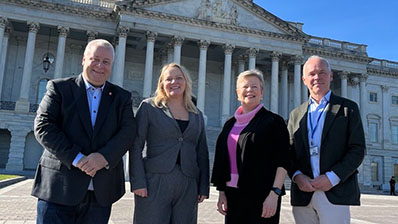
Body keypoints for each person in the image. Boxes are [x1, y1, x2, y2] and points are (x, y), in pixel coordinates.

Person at [32, 39, 137, 224]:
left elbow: (128, 133)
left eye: (106, 62)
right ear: (83, 59)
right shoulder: (60, 88)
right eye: (95, 59)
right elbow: (43, 126)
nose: (100, 66)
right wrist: (77, 158)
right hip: (59, 189)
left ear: (112, 65)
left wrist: (104, 157)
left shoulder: (122, 97)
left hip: (100, 193)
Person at [287, 55, 366, 224]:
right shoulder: (296, 114)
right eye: (312, 74)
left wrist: (332, 177)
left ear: (330, 76)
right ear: (304, 80)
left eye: (322, 72)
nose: (317, 77)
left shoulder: (348, 108)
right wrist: (297, 176)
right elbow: (289, 153)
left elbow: (358, 149)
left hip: (335, 191)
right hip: (303, 194)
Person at [130, 63, 209, 224]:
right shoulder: (149, 107)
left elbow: (202, 152)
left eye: (179, 78)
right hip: (155, 181)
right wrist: (138, 182)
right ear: (162, 84)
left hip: (188, 182)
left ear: (186, 82)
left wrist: (203, 186)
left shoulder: (196, 114)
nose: (174, 82)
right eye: (169, 79)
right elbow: (136, 145)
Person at [211, 70, 290, 224]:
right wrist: (222, 192)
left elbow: (283, 160)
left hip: (262, 195)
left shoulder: (274, 121)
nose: (249, 90)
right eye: (245, 87)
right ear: (237, 93)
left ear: (261, 92)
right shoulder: (229, 124)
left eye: (254, 86)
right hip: (233, 195)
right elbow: (222, 159)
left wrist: (274, 193)